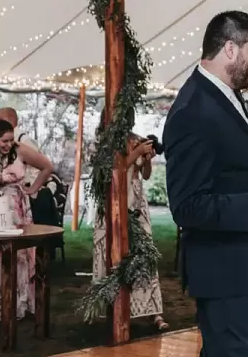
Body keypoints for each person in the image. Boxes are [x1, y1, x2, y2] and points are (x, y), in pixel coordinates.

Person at [164, 11, 248, 357]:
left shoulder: (223, 95)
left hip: (241, 267)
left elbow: (232, 171)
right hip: (225, 273)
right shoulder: (194, 109)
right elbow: (187, 206)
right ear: (230, 50)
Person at [93, 112, 168, 331]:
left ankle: (154, 312)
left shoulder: (137, 138)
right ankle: (111, 307)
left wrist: (146, 160)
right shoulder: (104, 143)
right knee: (113, 255)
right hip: (113, 201)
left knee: (144, 255)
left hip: (136, 201)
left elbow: (144, 175)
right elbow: (113, 172)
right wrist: (135, 152)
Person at [0, 119, 53, 319]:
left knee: (20, 253)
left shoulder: (21, 151)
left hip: (17, 208)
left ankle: (19, 301)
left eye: (10, 140)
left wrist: (32, 189)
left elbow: (47, 167)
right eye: (3, 141)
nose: (8, 145)